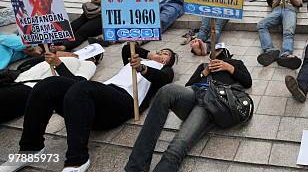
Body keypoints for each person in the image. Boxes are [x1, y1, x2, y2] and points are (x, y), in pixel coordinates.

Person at [8, 44, 176, 172]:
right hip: (99, 93)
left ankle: (76, 159)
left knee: (82, 88)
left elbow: (163, 79)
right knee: (47, 85)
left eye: (166, 54)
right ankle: (31, 147)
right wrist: (148, 55)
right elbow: (127, 47)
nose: (161, 54)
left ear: (169, 61)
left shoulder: (165, 70)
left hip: (124, 102)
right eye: (160, 51)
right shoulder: (135, 59)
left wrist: (143, 68)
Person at [125, 43, 252, 172]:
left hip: (212, 103)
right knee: (167, 90)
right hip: (195, 94)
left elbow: (248, 81)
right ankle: (136, 166)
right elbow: (188, 86)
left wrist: (229, 67)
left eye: (219, 49)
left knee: (177, 146)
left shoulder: (236, 63)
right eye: (213, 49)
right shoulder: (203, 66)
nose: (215, 51)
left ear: (226, 51)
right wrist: (204, 72)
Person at [0, 44, 103, 124]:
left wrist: (59, 64)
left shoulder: (88, 64)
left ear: (94, 58)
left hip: (30, 88)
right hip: (13, 80)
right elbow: (23, 65)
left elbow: (77, 84)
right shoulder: (63, 56)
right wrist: (50, 56)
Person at [257, 0, 302, 69]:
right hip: (277, 11)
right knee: (261, 24)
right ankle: (270, 50)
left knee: (288, 32)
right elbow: (273, 6)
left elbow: (298, 3)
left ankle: (286, 54)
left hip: (290, 11)